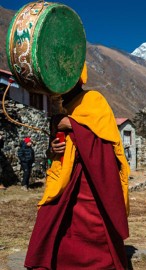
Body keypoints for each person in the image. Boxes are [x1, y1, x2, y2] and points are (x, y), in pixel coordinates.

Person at [24, 63, 131, 269]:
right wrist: (54, 149)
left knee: (95, 234)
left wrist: (72, 125)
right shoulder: (63, 108)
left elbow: (106, 144)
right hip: (66, 181)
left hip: (91, 185)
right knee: (57, 224)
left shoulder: (94, 100)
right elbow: (59, 149)